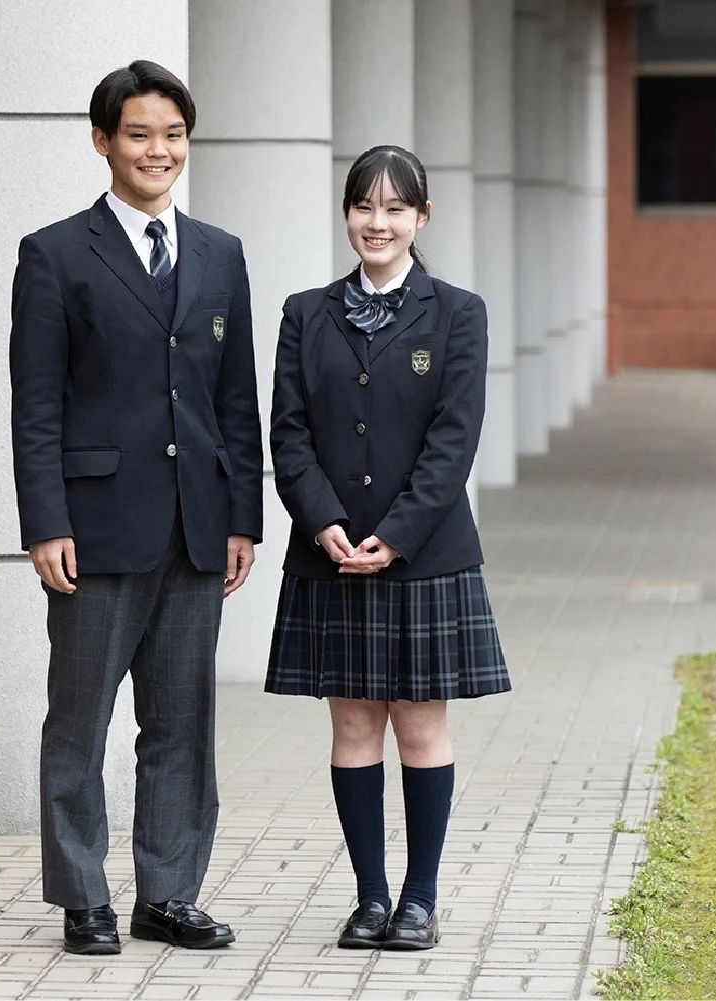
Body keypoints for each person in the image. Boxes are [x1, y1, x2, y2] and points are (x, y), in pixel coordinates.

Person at [9, 60, 262, 956]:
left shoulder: (221, 252)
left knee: (182, 722)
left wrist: (243, 517)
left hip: (198, 527)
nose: (159, 150)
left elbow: (237, 400)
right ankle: (83, 896)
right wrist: (44, 522)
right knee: (78, 720)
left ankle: (170, 892)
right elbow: (35, 403)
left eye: (173, 134)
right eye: (140, 134)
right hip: (95, 528)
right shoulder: (54, 253)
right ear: (103, 141)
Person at [266, 145, 511, 951]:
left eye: (395, 208)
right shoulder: (306, 311)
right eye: (364, 207)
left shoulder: (457, 312)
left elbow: (453, 441)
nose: (378, 223)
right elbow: (288, 432)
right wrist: (322, 521)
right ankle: (369, 898)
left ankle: (418, 899)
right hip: (329, 552)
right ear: (346, 215)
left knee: (419, 729)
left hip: (424, 555)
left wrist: (394, 534)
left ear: (421, 218)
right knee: (352, 729)